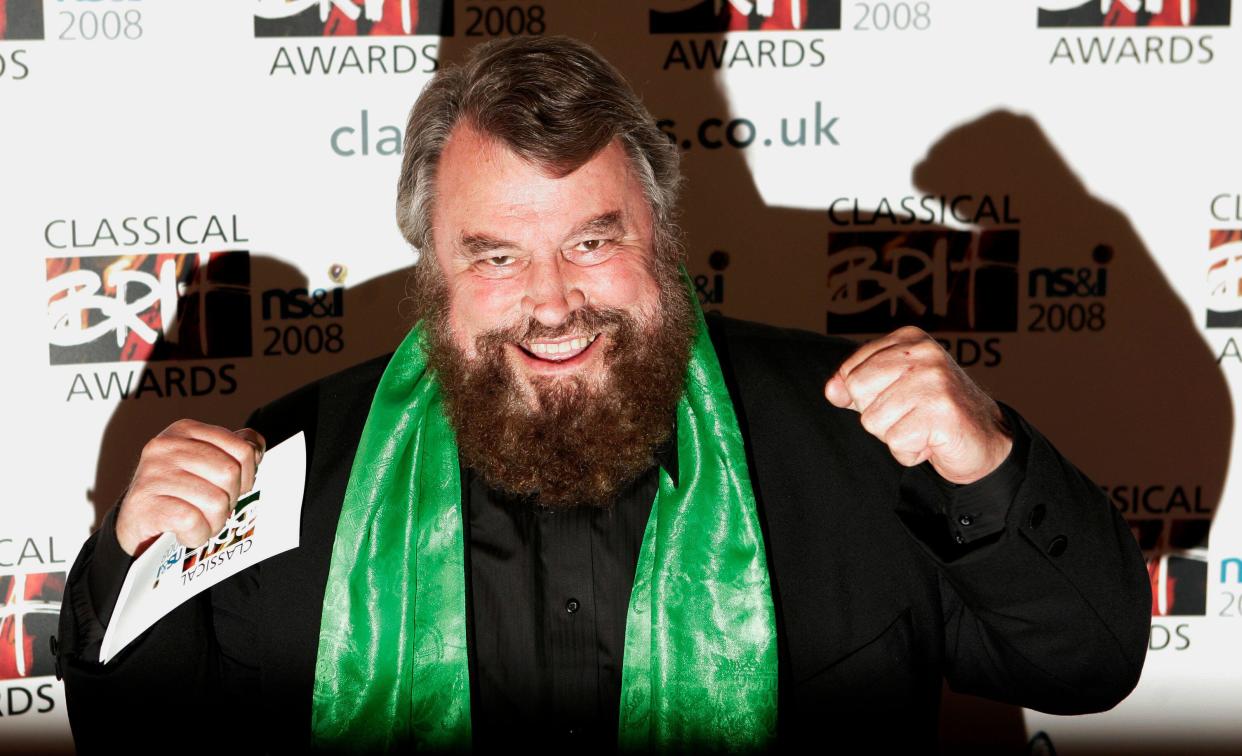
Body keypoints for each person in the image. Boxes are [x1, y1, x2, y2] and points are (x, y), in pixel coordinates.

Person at [56, 35, 1150, 753]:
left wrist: (991, 471)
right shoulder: (288, 467)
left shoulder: (855, 429)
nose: (549, 303)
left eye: (592, 240)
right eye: (493, 257)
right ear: (430, 268)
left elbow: (1089, 665)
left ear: (661, 237)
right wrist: (135, 556)